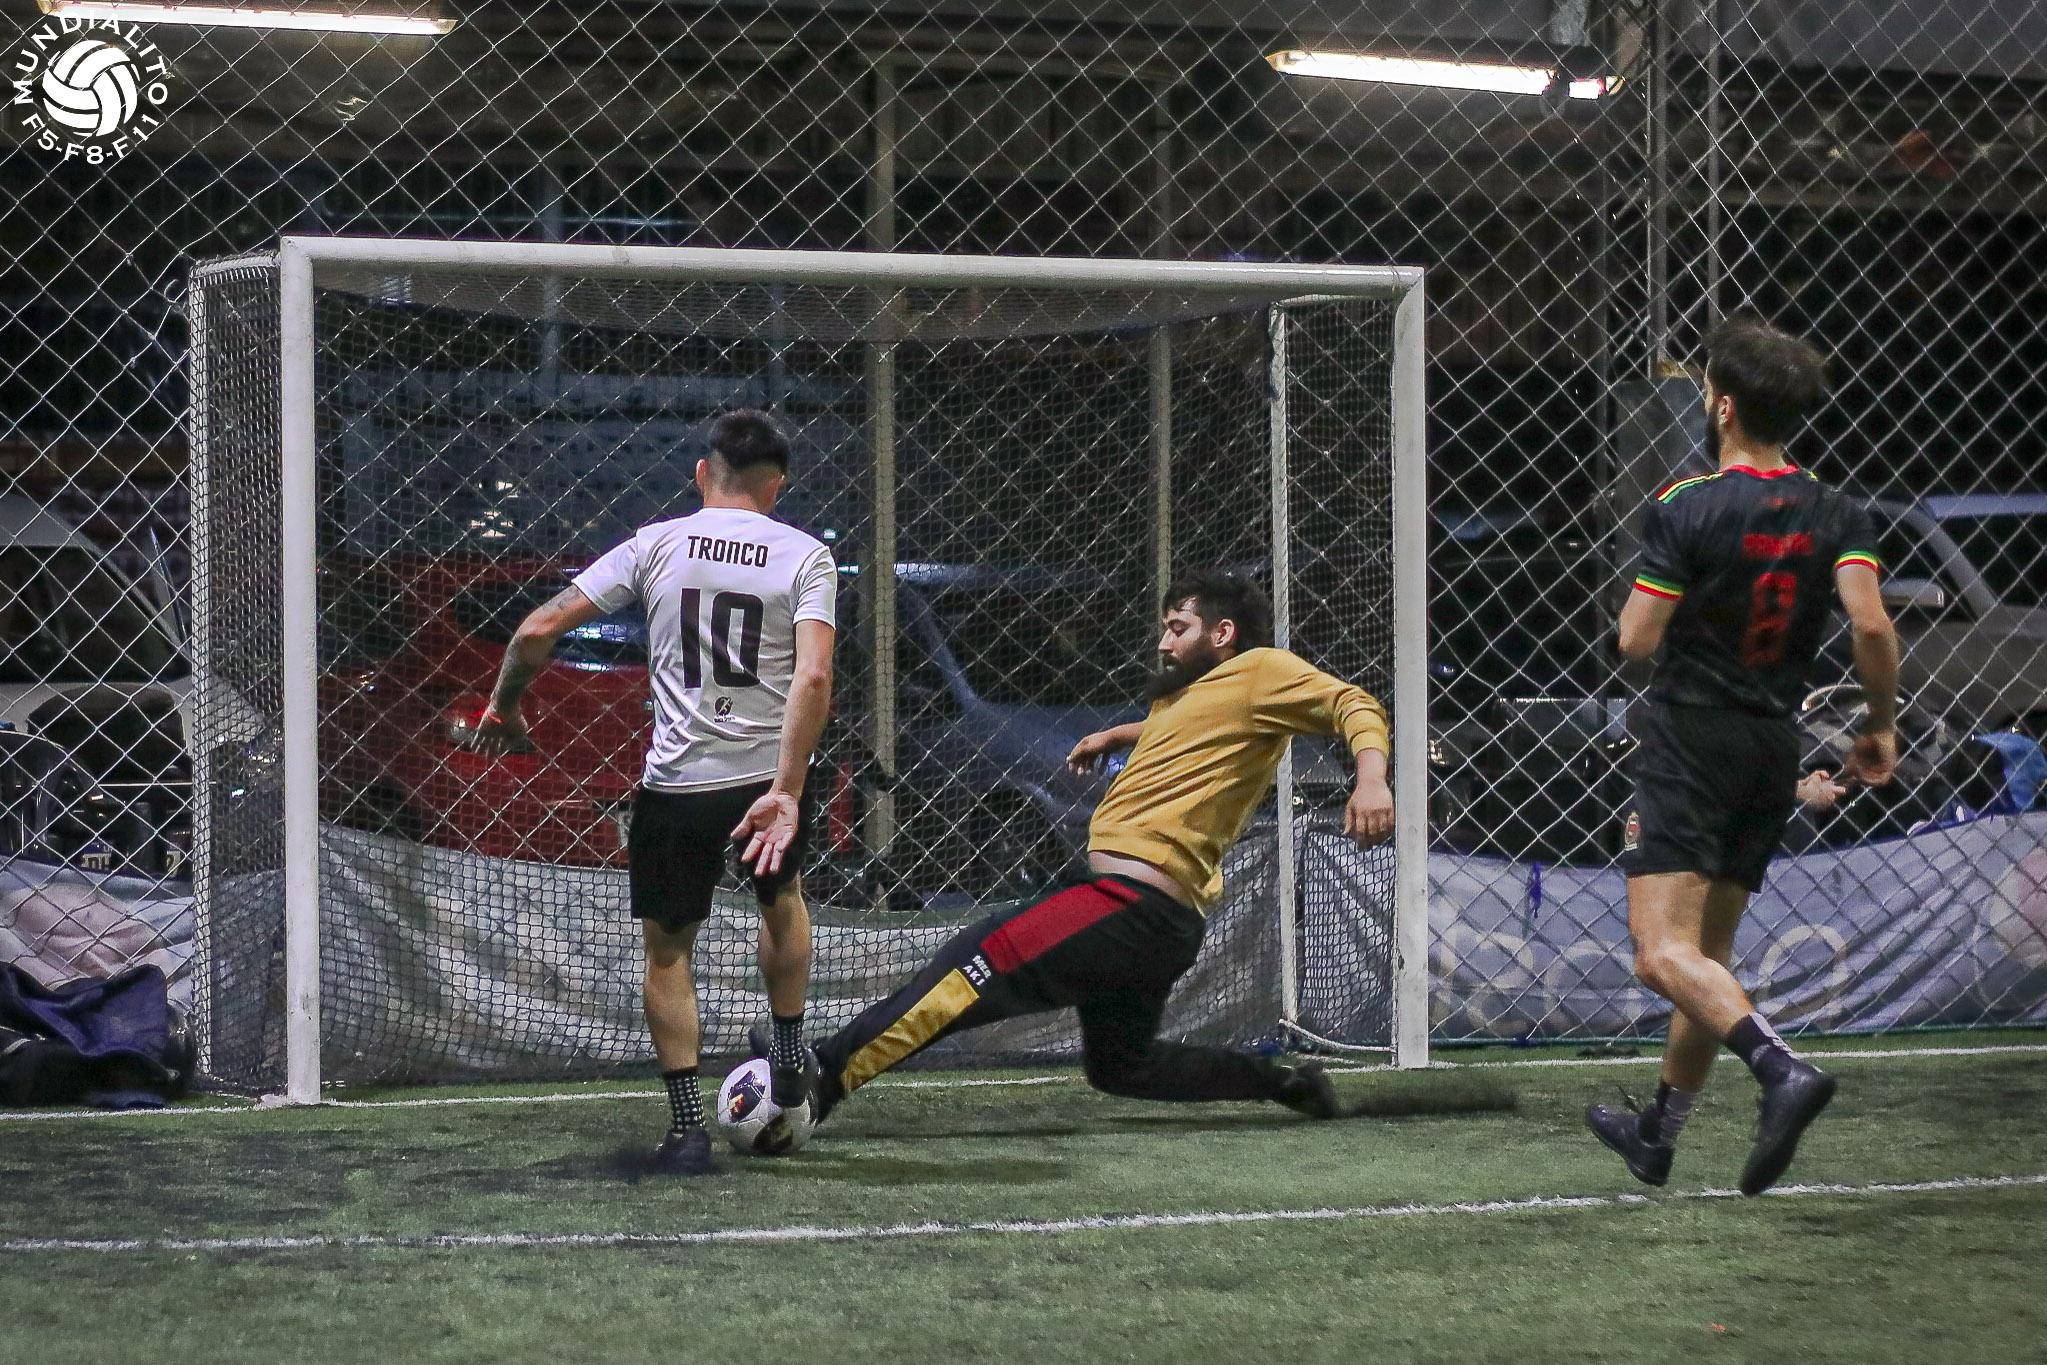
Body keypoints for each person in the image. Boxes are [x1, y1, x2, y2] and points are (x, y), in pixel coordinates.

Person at [796, 570, 1393, 1125]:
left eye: (1178, 628)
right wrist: (1116, 734)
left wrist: (1370, 781)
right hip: (1160, 924)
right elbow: (1185, 726)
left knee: (980, 955)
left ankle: (821, 1074)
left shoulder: (1262, 670)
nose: (1163, 642)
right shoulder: (1195, 695)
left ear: (1223, 633)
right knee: (1121, 1066)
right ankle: (1284, 1082)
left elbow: (1354, 704)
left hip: (1128, 905)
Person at [473, 410, 835, 1175]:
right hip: (764, 780)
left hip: (678, 784)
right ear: (777, 487)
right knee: (782, 898)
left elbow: (537, 628)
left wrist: (503, 706)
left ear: (702, 475)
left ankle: (687, 1131)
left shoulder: (657, 543)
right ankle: (789, 1052)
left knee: (669, 950)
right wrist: (788, 788)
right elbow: (812, 675)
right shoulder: (806, 555)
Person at [1587, 318, 1900, 1196]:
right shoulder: (1836, 510)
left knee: (1659, 954)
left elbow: (1635, 639)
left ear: (1721, 406)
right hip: (1771, 741)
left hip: (1691, 737)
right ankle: (1657, 1133)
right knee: (1707, 958)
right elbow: (1871, 623)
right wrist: (1879, 724)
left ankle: (1778, 1069)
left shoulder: (1685, 502)